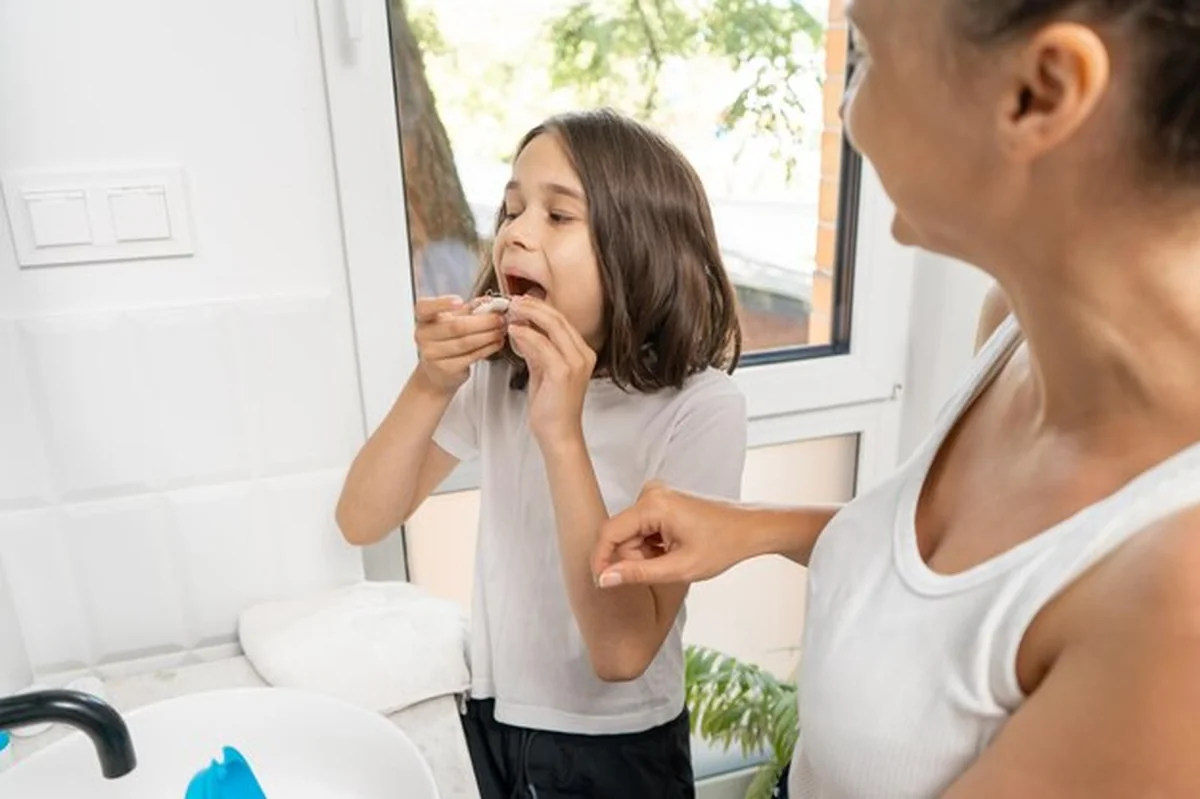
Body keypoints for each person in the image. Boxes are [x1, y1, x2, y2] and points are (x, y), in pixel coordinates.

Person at [592, 0, 1200, 796]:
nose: (849, 115)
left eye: (868, 58)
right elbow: (962, 598)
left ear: (1040, 92)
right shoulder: (1015, 333)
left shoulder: (1173, 606)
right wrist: (753, 528)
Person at [336, 108, 747, 798]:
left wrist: (562, 431)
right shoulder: (503, 376)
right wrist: (430, 382)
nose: (515, 233)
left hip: (619, 747)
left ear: (638, 246)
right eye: (511, 209)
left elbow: (620, 651)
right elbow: (361, 518)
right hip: (493, 717)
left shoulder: (701, 409)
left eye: (559, 216)